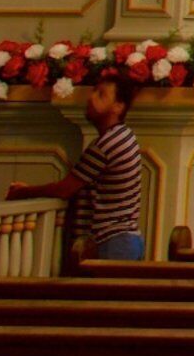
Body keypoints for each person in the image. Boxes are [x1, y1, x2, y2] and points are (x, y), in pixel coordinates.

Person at [12, 76, 150, 263]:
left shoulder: (106, 144)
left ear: (118, 106)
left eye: (101, 95)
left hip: (111, 240)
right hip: (124, 239)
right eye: (94, 91)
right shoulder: (124, 135)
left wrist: (23, 192)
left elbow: (65, 189)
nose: (90, 98)